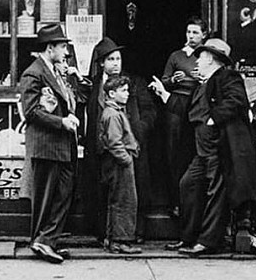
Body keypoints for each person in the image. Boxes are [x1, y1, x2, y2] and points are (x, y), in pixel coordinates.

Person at [150, 38, 256, 255]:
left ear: (211, 59)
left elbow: (237, 101)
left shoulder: (228, 77)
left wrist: (214, 118)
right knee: (188, 185)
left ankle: (209, 242)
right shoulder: (203, 83)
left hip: (220, 149)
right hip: (201, 151)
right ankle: (188, 237)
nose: (196, 62)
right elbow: (188, 110)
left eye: (200, 57)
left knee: (216, 194)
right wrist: (165, 96)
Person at [84, 37, 156, 244]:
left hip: (129, 147)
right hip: (103, 149)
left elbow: (150, 112)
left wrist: (137, 131)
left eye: (118, 58)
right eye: (111, 59)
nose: (116, 63)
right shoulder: (94, 84)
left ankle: (135, 233)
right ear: (101, 63)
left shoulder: (135, 83)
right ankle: (106, 234)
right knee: (105, 191)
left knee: (133, 190)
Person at [19, 23, 81, 264]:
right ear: (50, 47)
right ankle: (42, 241)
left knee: (63, 194)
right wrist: (61, 122)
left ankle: (46, 241)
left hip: (61, 146)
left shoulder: (55, 71)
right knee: (47, 197)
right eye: (62, 46)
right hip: (47, 146)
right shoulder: (33, 73)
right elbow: (31, 112)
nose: (66, 52)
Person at [160, 16, 208, 217]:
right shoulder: (177, 56)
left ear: (204, 35)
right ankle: (175, 202)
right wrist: (173, 79)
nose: (191, 36)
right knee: (173, 152)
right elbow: (164, 81)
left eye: (195, 32)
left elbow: (214, 79)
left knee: (193, 151)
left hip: (197, 105)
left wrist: (201, 78)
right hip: (176, 105)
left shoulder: (206, 56)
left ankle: (194, 205)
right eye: (189, 32)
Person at [98, 75, 142, 255]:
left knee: (119, 199)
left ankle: (113, 239)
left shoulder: (115, 112)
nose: (127, 94)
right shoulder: (113, 115)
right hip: (119, 163)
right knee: (124, 200)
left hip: (117, 162)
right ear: (111, 93)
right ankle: (120, 241)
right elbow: (114, 143)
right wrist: (127, 159)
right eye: (123, 91)